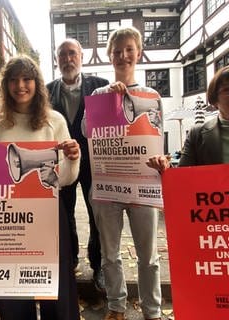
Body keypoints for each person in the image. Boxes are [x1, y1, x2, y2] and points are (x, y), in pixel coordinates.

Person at [0, 55, 81, 320]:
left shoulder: (55, 121)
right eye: (13, 80)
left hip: (48, 213)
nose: (20, 86)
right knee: (14, 288)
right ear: (5, 86)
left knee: (56, 284)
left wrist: (73, 158)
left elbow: (67, 179)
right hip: (9, 215)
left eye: (27, 79)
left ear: (36, 84)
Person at [82, 27, 162, 320]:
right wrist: (109, 106)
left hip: (142, 186)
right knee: (110, 255)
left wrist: (161, 161)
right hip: (108, 187)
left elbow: (156, 136)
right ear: (109, 56)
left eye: (129, 49)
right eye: (117, 51)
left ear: (138, 53)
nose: (123, 55)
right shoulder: (98, 94)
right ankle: (116, 305)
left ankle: (151, 310)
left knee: (149, 257)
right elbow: (85, 131)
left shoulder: (151, 95)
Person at [47, 38, 109, 289]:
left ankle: (98, 266)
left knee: (98, 215)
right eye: (62, 55)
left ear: (82, 56)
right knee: (65, 213)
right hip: (62, 164)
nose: (67, 59)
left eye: (72, 53)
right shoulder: (47, 91)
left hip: (95, 162)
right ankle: (70, 259)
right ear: (56, 59)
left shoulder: (100, 86)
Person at [147, 64, 229, 171]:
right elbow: (183, 177)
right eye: (227, 90)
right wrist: (163, 166)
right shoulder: (197, 135)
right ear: (214, 99)